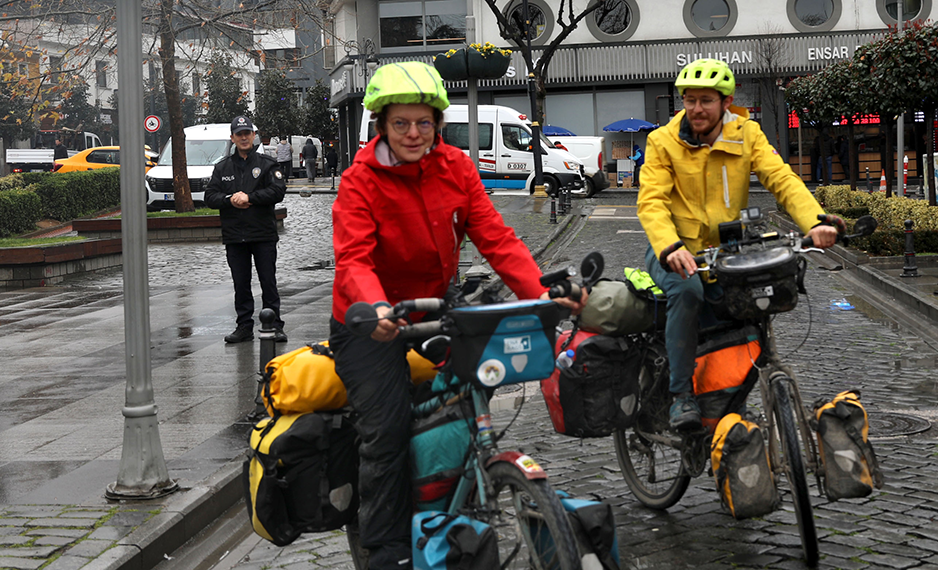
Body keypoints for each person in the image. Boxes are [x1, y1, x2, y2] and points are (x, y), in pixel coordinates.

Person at [330, 61, 586, 570]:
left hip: (435, 308)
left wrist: (542, 295)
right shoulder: (359, 181)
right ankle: (387, 553)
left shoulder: (456, 168)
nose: (413, 133)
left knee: (466, 406)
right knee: (386, 429)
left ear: (438, 124)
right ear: (382, 123)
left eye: (423, 123)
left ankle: (450, 500)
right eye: (401, 123)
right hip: (369, 320)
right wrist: (375, 305)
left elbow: (496, 238)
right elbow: (353, 258)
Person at [637, 59, 836, 432]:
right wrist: (669, 247)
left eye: (706, 101)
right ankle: (681, 397)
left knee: (752, 301)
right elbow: (651, 202)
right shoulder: (662, 141)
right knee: (689, 291)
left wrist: (816, 222)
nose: (696, 109)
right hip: (674, 249)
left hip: (729, 250)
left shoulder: (748, 134)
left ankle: (728, 395)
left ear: (726, 102)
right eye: (690, 100)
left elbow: (782, 179)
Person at [204, 116, 288, 344]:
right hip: (235, 235)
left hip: (262, 234)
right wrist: (230, 199)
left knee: (268, 281)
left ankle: (275, 324)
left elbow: (278, 191)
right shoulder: (222, 168)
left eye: (247, 133)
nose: (243, 137)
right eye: (239, 134)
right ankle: (244, 326)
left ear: (253, 136)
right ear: (232, 138)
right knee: (240, 283)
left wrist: (250, 197)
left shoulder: (267, 164)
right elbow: (210, 196)